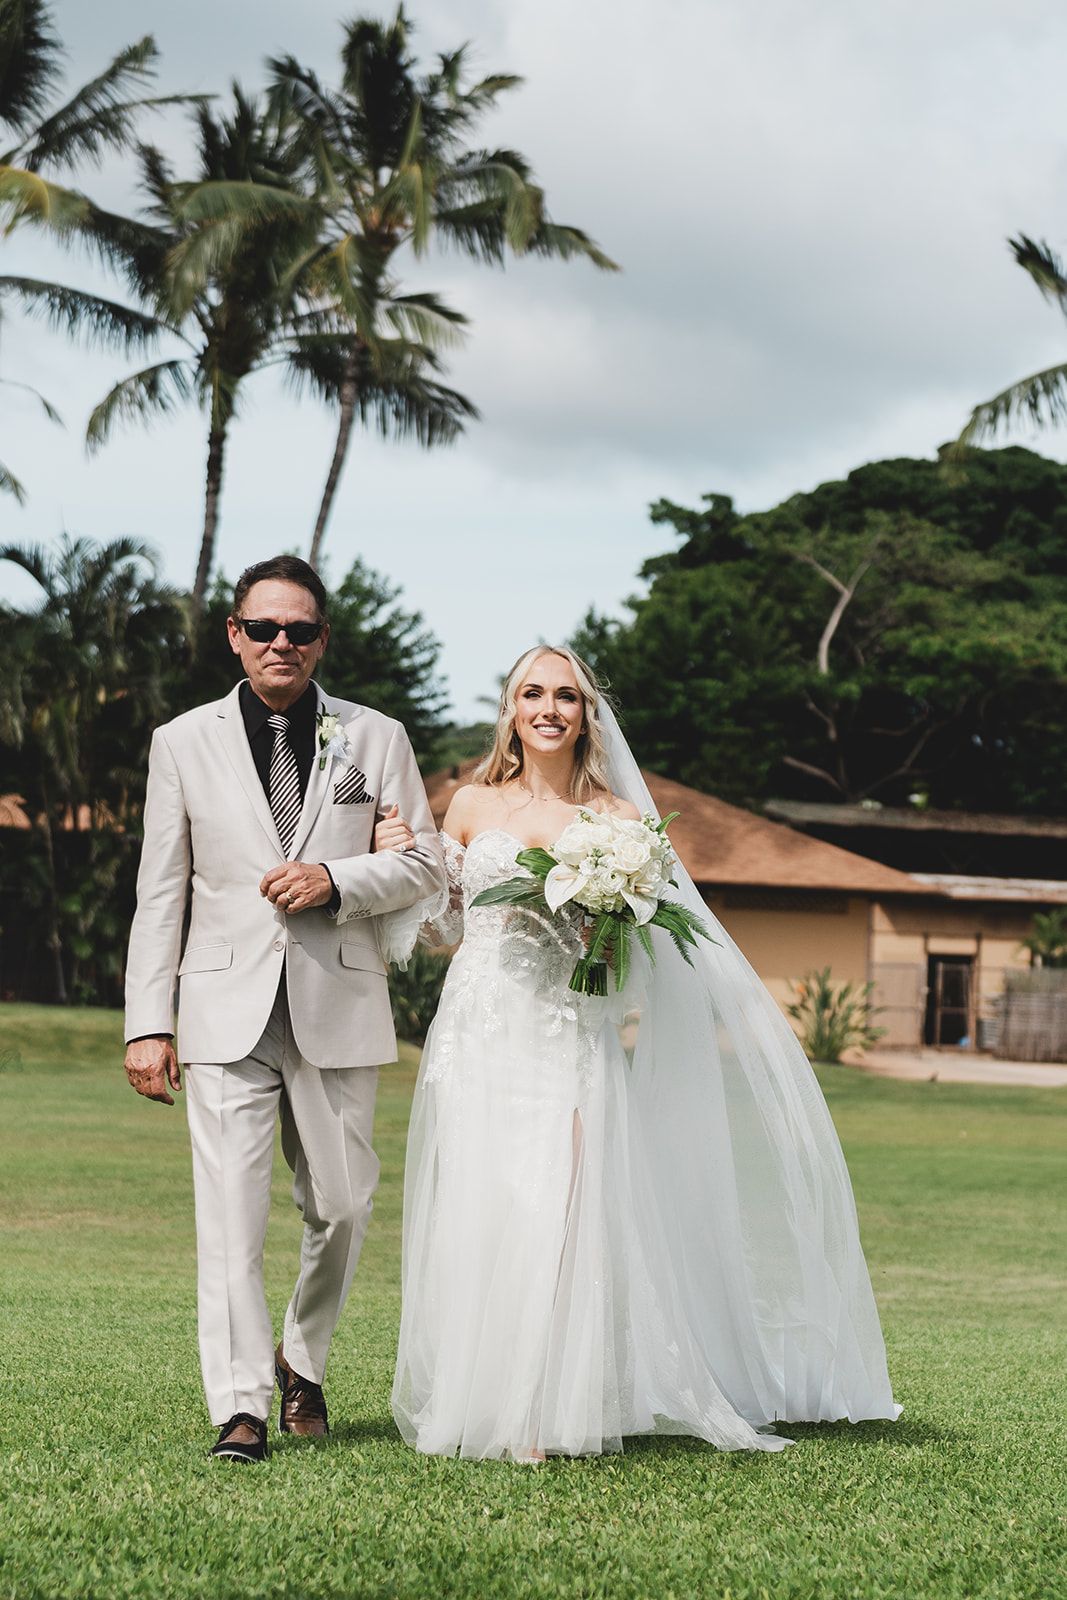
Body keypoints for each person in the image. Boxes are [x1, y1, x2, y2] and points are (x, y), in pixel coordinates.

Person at [381, 645, 900, 1462]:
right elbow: (444, 928)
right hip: (479, 1027)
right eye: (532, 693)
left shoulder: (620, 822)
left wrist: (593, 919)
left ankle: (539, 1412)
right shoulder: (470, 804)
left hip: (566, 1031)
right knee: (485, 1204)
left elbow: (630, 952)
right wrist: (403, 855)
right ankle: (483, 1396)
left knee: (558, 1208)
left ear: (586, 713)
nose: (549, 708)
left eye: (567, 696)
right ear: (511, 708)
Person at [123, 555, 444, 1463]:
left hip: (336, 1002)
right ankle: (241, 1407)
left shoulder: (374, 737)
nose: (280, 644)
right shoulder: (180, 741)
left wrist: (336, 877)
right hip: (223, 1008)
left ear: (321, 641)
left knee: (341, 1206)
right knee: (230, 1217)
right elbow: (161, 892)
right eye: (263, 628)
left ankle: (302, 1357)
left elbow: (425, 863)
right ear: (235, 634)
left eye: (299, 630)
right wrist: (148, 1021)